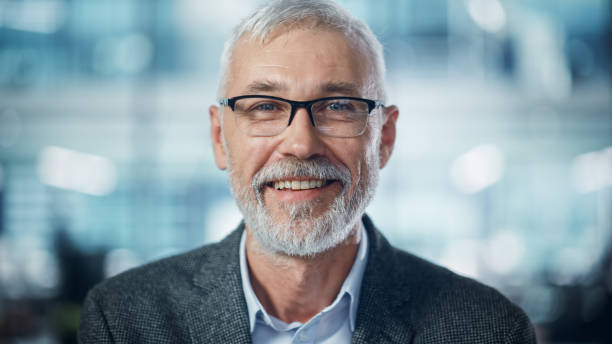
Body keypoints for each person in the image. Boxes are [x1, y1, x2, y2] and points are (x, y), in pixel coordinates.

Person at [78, 0, 536, 343]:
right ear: (220, 138)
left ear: (385, 137)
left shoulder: (486, 329)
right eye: (264, 107)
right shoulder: (125, 320)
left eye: (338, 106)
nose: (300, 143)